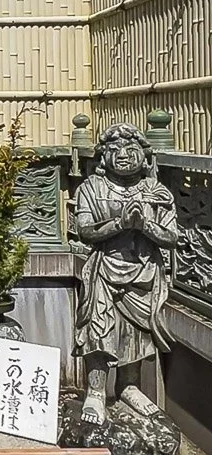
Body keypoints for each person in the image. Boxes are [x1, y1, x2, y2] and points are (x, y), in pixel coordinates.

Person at [74, 123, 177, 425]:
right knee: (99, 329)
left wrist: (144, 225)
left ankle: (129, 386)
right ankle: (95, 390)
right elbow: (84, 231)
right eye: (114, 149)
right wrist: (119, 224)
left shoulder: (157, 192)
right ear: (103, 156)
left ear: (145, 157)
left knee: (136, 334)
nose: (122, 155)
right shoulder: (92, 188)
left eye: (131, 149)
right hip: (105, 267)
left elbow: (171, 236)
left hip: (144, 273)